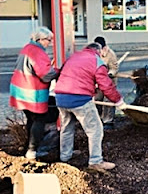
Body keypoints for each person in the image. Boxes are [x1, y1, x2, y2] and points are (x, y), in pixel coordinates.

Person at [54, 42, 124, 171]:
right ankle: (96, 161)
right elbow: (106, 85)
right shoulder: (97, 61)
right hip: (79, 99)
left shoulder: (74, 57)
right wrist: (118, 101)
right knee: (95, 130)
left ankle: (65, 156)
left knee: (66, 128)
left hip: (60, 97)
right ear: (99, 51)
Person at [9, 26, 59, 160]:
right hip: (32, 93)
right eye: (48, 40)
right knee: (39, 120)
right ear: (40, 39)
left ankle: (28, 148)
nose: (49, 43)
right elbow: (46, 75)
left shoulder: (27, 48)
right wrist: (57, 71)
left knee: (30, 119)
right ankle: (32, 151)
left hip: (20, 91)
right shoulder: (37, 52)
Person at [94, 36, 119, 130]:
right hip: (98, 83)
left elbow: (114, 68)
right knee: (96, 99)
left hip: (108, 82)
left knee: (108, 101)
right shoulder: (95, 53)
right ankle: (98, 118)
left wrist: (110, 74)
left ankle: (108, 121)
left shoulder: (110, 54)